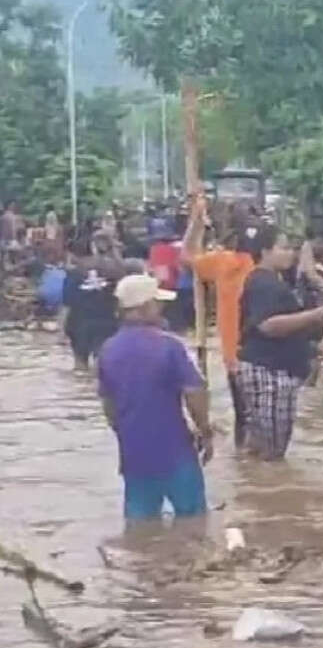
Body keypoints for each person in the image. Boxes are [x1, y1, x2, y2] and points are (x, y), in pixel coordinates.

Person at [98, 274, 212, 521]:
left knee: (140, 523)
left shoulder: (107, 350)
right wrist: (205, 430)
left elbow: (109, 406)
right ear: (144, 307)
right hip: (175, 451)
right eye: (157, 303)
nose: (162, 308)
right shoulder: (169, 346)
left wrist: (124, 433)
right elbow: (195, 392)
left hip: (134, 455)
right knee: (193, 521)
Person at [236, 228, 323, 460]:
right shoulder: (264, 283)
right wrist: (316, 315)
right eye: (284, 247)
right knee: (273, 451)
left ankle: (255, 487)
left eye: (292, 248)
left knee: (262, 445)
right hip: (269, 371)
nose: (290, 254)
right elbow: (268, 325)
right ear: (265, 251)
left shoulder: (273, 281)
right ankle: (267, 491)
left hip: (272, 368)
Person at [183, 198, 258, 447]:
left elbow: (188, 256)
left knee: (245, 419)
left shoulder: (224, 262)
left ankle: (246, 464)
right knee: (254, 421)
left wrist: (196, 222)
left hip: (237, 354)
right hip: (254, 354)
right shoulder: (257, 263)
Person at [62, 245, 122, 371]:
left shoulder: (74, 272)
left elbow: (66, 303)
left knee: (80, 365)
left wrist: (62, 328)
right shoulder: (113, 270)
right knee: (102, 364)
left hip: (78, 323)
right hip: (106, 321)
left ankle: (79, 388)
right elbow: (119, 300)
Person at [147, 217, 187, 332]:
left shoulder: (154, 249)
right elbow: (178, 268)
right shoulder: (174, 249)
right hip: (173, 285)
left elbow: (155, 269)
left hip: (161, 286)